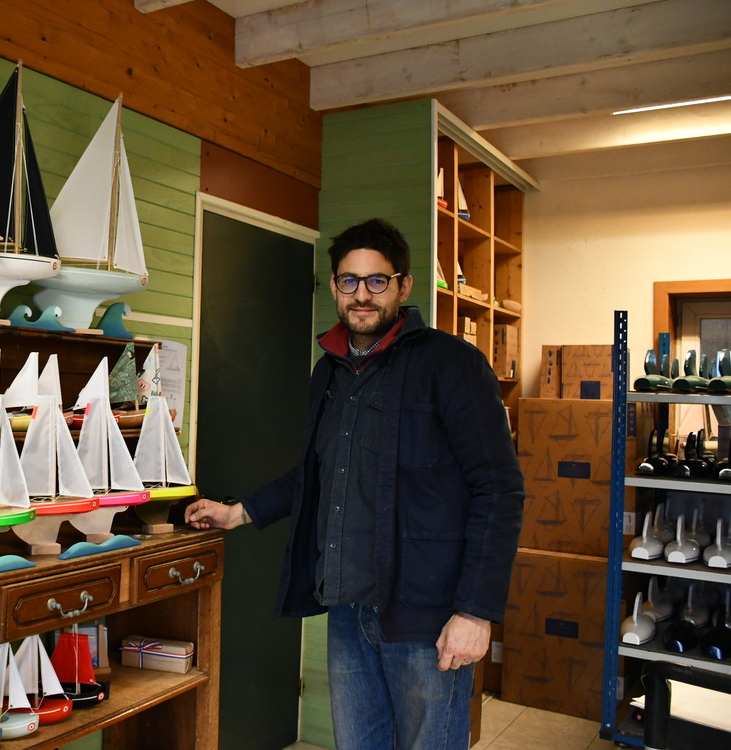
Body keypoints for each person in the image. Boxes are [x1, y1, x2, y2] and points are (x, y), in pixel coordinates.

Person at [185, 218, 524, 750]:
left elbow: (499, 490)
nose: (362, 295)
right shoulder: (331, 371)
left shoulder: (453, 366)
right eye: (349, 281)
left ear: (403, 287)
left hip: (427, 619)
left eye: (376, 281)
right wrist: (239, 512)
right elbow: (318, 473)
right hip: (347, 611)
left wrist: (475, 612)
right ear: (336, 287)